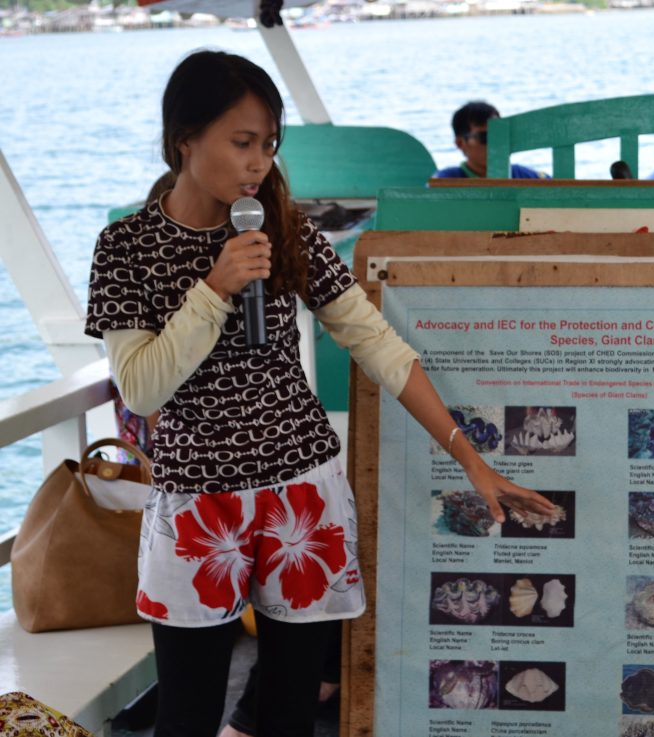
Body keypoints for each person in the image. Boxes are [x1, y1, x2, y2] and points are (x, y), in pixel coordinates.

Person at [85, 50, 554, 737]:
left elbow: (376, 342)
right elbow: (142, 385)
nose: (258, 163)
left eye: (269, 145)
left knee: (290, 708)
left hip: (301, 493)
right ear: (183, 138)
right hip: (196, 502)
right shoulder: (125, 246)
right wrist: (214, 289)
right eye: (242, 142)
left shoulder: (281, 226)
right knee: (185, 713)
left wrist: (470, 457)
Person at [431, 100, 548, 179]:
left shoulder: (526, 177)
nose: (495, 143)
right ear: (460, 143)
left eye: (499, 136)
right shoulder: (444, 182)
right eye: (485, 137)